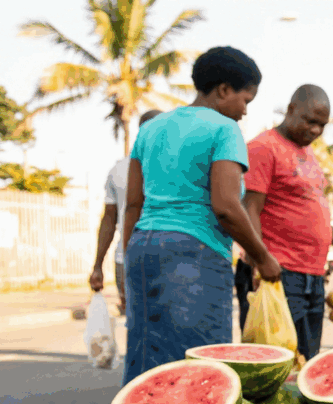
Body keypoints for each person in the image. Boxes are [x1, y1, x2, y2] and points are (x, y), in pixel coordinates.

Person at [121, 46, 282, 385]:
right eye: (245, 101)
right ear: (224, 90)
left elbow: (133, 203)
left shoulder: (152, 127)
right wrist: (262, 257)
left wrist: (130, 254)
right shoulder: (224, 130)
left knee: (146, 361)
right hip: (194, 254)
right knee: (198, 371)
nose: (244, 112)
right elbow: (225, 206)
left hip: (143, 247)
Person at [234, 84, 333, 361]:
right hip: (278, 272)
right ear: (291, 109)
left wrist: (331, 233)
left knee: (306, 359)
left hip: (311, 275)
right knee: (277, 363)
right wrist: (260, 260)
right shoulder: (264, 147)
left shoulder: (306, 153)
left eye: (322, 125)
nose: (315, 130)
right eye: (310, 121)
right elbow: (249, 209)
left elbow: (300, 205)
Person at [89, 109, 163, 313]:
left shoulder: (119, 169)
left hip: (129, 257)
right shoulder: (175, 167)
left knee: (138, 323)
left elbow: (108, 220)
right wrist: (97, 265)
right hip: (160, 257)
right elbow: (110, 220)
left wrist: (98, 265)